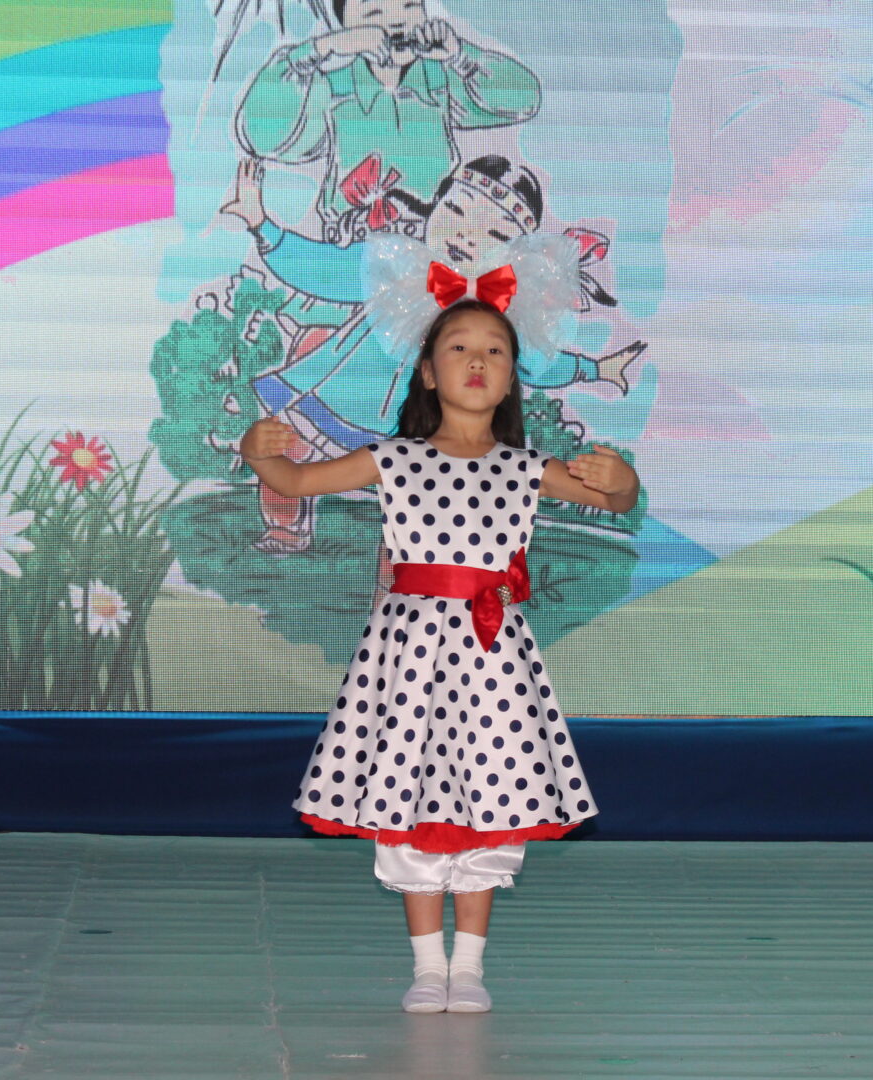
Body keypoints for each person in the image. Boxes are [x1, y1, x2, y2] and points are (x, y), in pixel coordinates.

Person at [239, 298, 639, 1013]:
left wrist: (622, 481)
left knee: (491, 795)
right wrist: (256, 451)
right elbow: (295, 481)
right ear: (427, 373)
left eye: (496, 350)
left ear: (512, 379)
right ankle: (428, 967)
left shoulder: (528, 468)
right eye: (459, 347)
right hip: (410, 657)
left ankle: (470, 968)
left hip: (493, 660)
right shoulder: (392, 458)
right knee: (409, 793)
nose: (478, 360)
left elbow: (615, 502)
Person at [222, 153, 644, 552]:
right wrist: (262, 225)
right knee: (296, 444)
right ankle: (285, 530)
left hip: (485, 591)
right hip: (338, 394)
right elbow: (321, 269)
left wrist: (597, 379)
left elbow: (541, 363)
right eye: (456, 211)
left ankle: (386, 584)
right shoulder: (396, 267)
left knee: (405, 529)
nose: (466, 236)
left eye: (496, 234)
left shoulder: (520, 465)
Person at [232, 0, 541, 244]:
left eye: (410, 6)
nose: (396, 22)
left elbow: (525, 102)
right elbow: (261, 138)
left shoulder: (439, 81)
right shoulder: (333, 89)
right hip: (356, 243)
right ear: (344, 26)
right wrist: (319, 49)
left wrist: (460, 55)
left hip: (437, 242)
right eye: (374, 12)